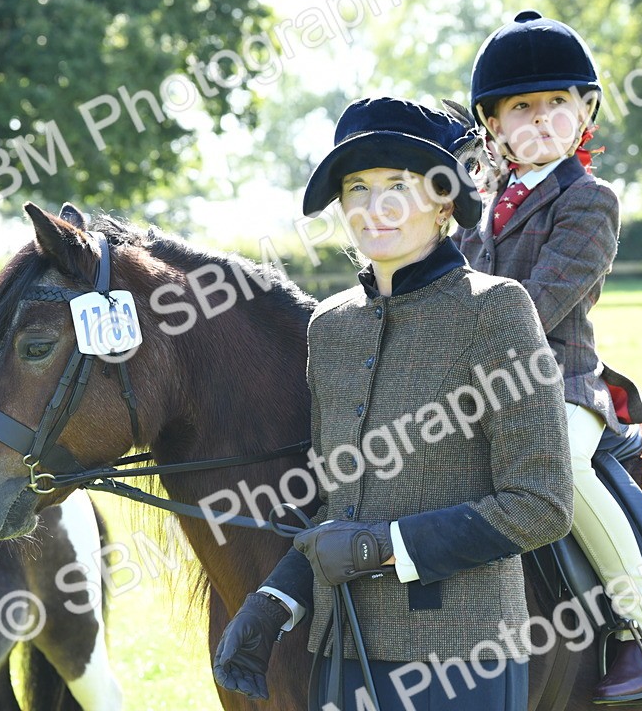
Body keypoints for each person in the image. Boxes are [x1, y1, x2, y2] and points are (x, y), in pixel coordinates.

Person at [212, 96, 574, 711]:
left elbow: (540, 504)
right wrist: (275, 600)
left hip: (463, 658)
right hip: (340, 651)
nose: (373, 209)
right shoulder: (329, 326)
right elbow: (339, 503)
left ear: (441, 201)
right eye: (357, 187)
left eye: (397, 186)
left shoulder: (497, 309)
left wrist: (381, 547)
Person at [458, 9, 642, 704]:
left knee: (567, 474)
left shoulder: (589, 201)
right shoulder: (477, 204)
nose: (542, 118)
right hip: (470, 386)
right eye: (522, 106)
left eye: (558, 103)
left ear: (585, 112)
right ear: (493, 123)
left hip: (559, 385)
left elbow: (539, 303)